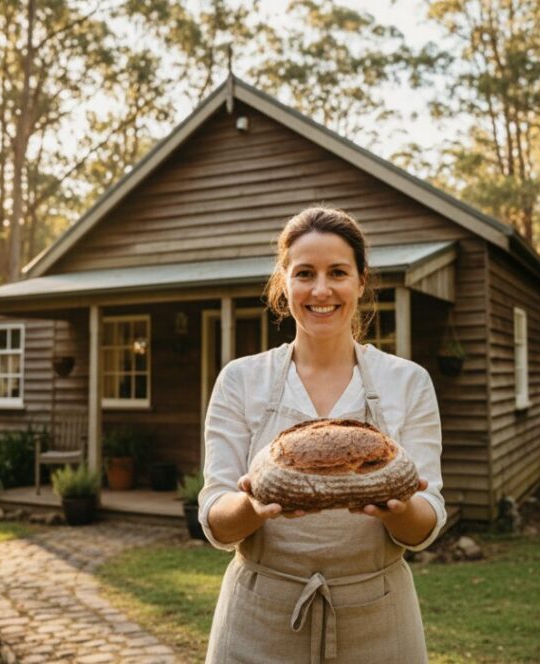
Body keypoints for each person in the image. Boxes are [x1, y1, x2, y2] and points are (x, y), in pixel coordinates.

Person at [199, 206, 447, 664]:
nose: (321, 290)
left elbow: (426, 522)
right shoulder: (240, 380)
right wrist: (253, 506)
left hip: (379, 618)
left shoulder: (408, 381)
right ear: (284, 283)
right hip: (259, 617)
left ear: (361, 281)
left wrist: (399, 508)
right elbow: (215, 517)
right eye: (304, 273)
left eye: (337, 272)